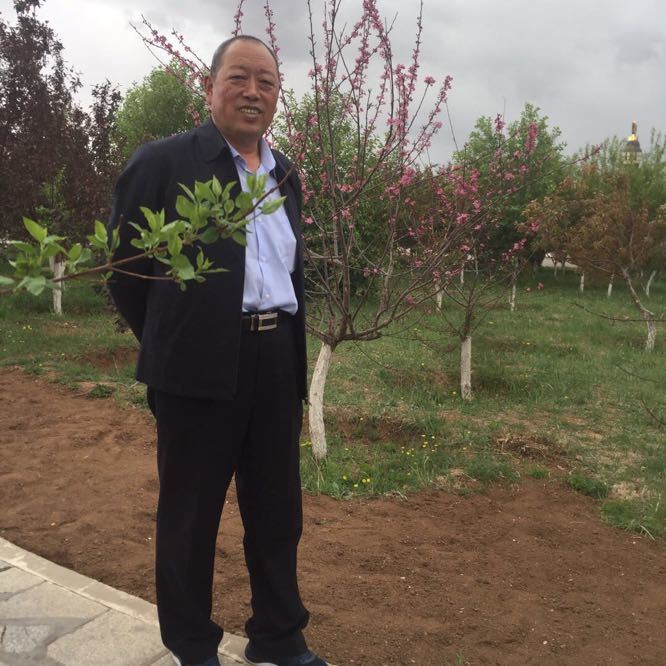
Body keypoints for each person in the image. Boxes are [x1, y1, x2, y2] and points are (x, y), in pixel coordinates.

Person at [108, 35, 326, 666]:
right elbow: (128, 272)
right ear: (209, 88)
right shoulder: (164, 163)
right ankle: (192, 645)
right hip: (196, 368)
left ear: (277, 95)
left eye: (266, 81)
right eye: (238, 78)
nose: (253, 92)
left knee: (277, 510)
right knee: (190, 516)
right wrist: (176, 339)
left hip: (276, 358)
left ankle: (278, 636)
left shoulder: (285, 174)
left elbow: (288, 271)